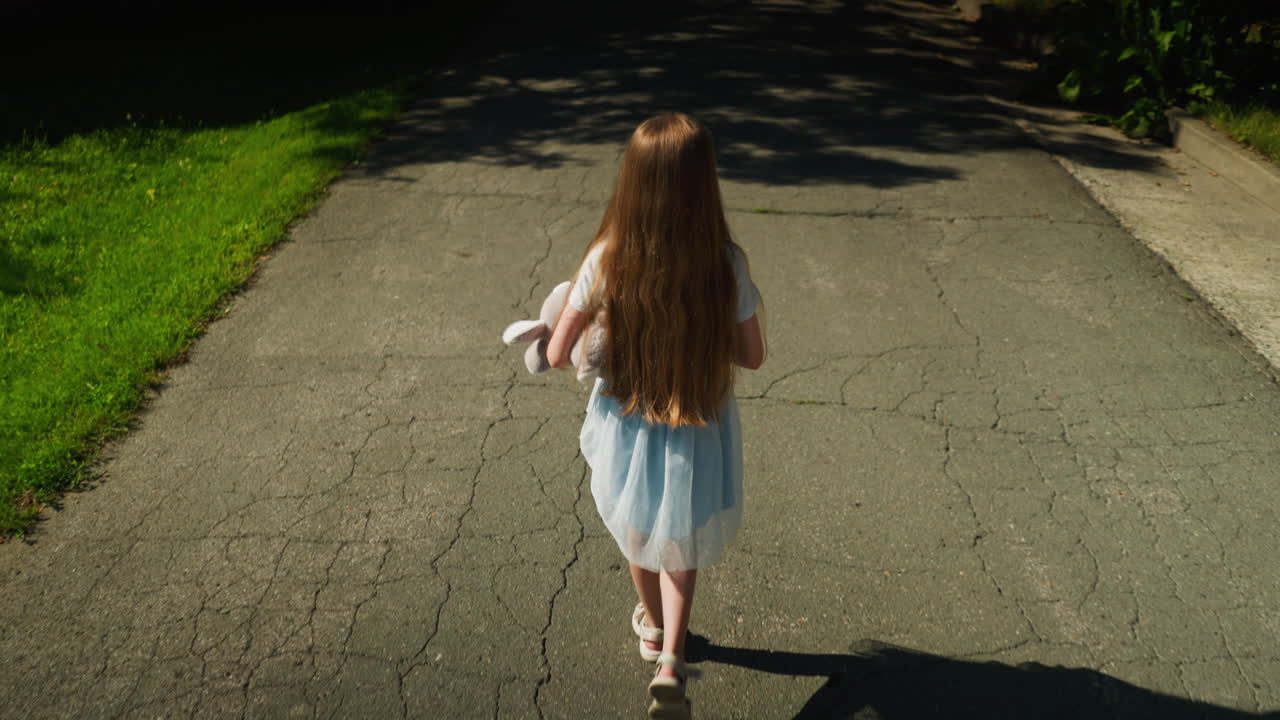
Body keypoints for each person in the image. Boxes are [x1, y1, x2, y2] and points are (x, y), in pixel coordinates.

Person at [546, 113, 765, 720]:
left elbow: (560, 352)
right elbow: (752, 354)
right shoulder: (725, 263)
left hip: (627, 425)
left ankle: (650, 627)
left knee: (640, 530)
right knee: (682, 535)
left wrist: (579, 316)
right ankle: (671, 657)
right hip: (699, 422)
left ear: (632, 182)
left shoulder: (607, 258)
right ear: (705, 184)